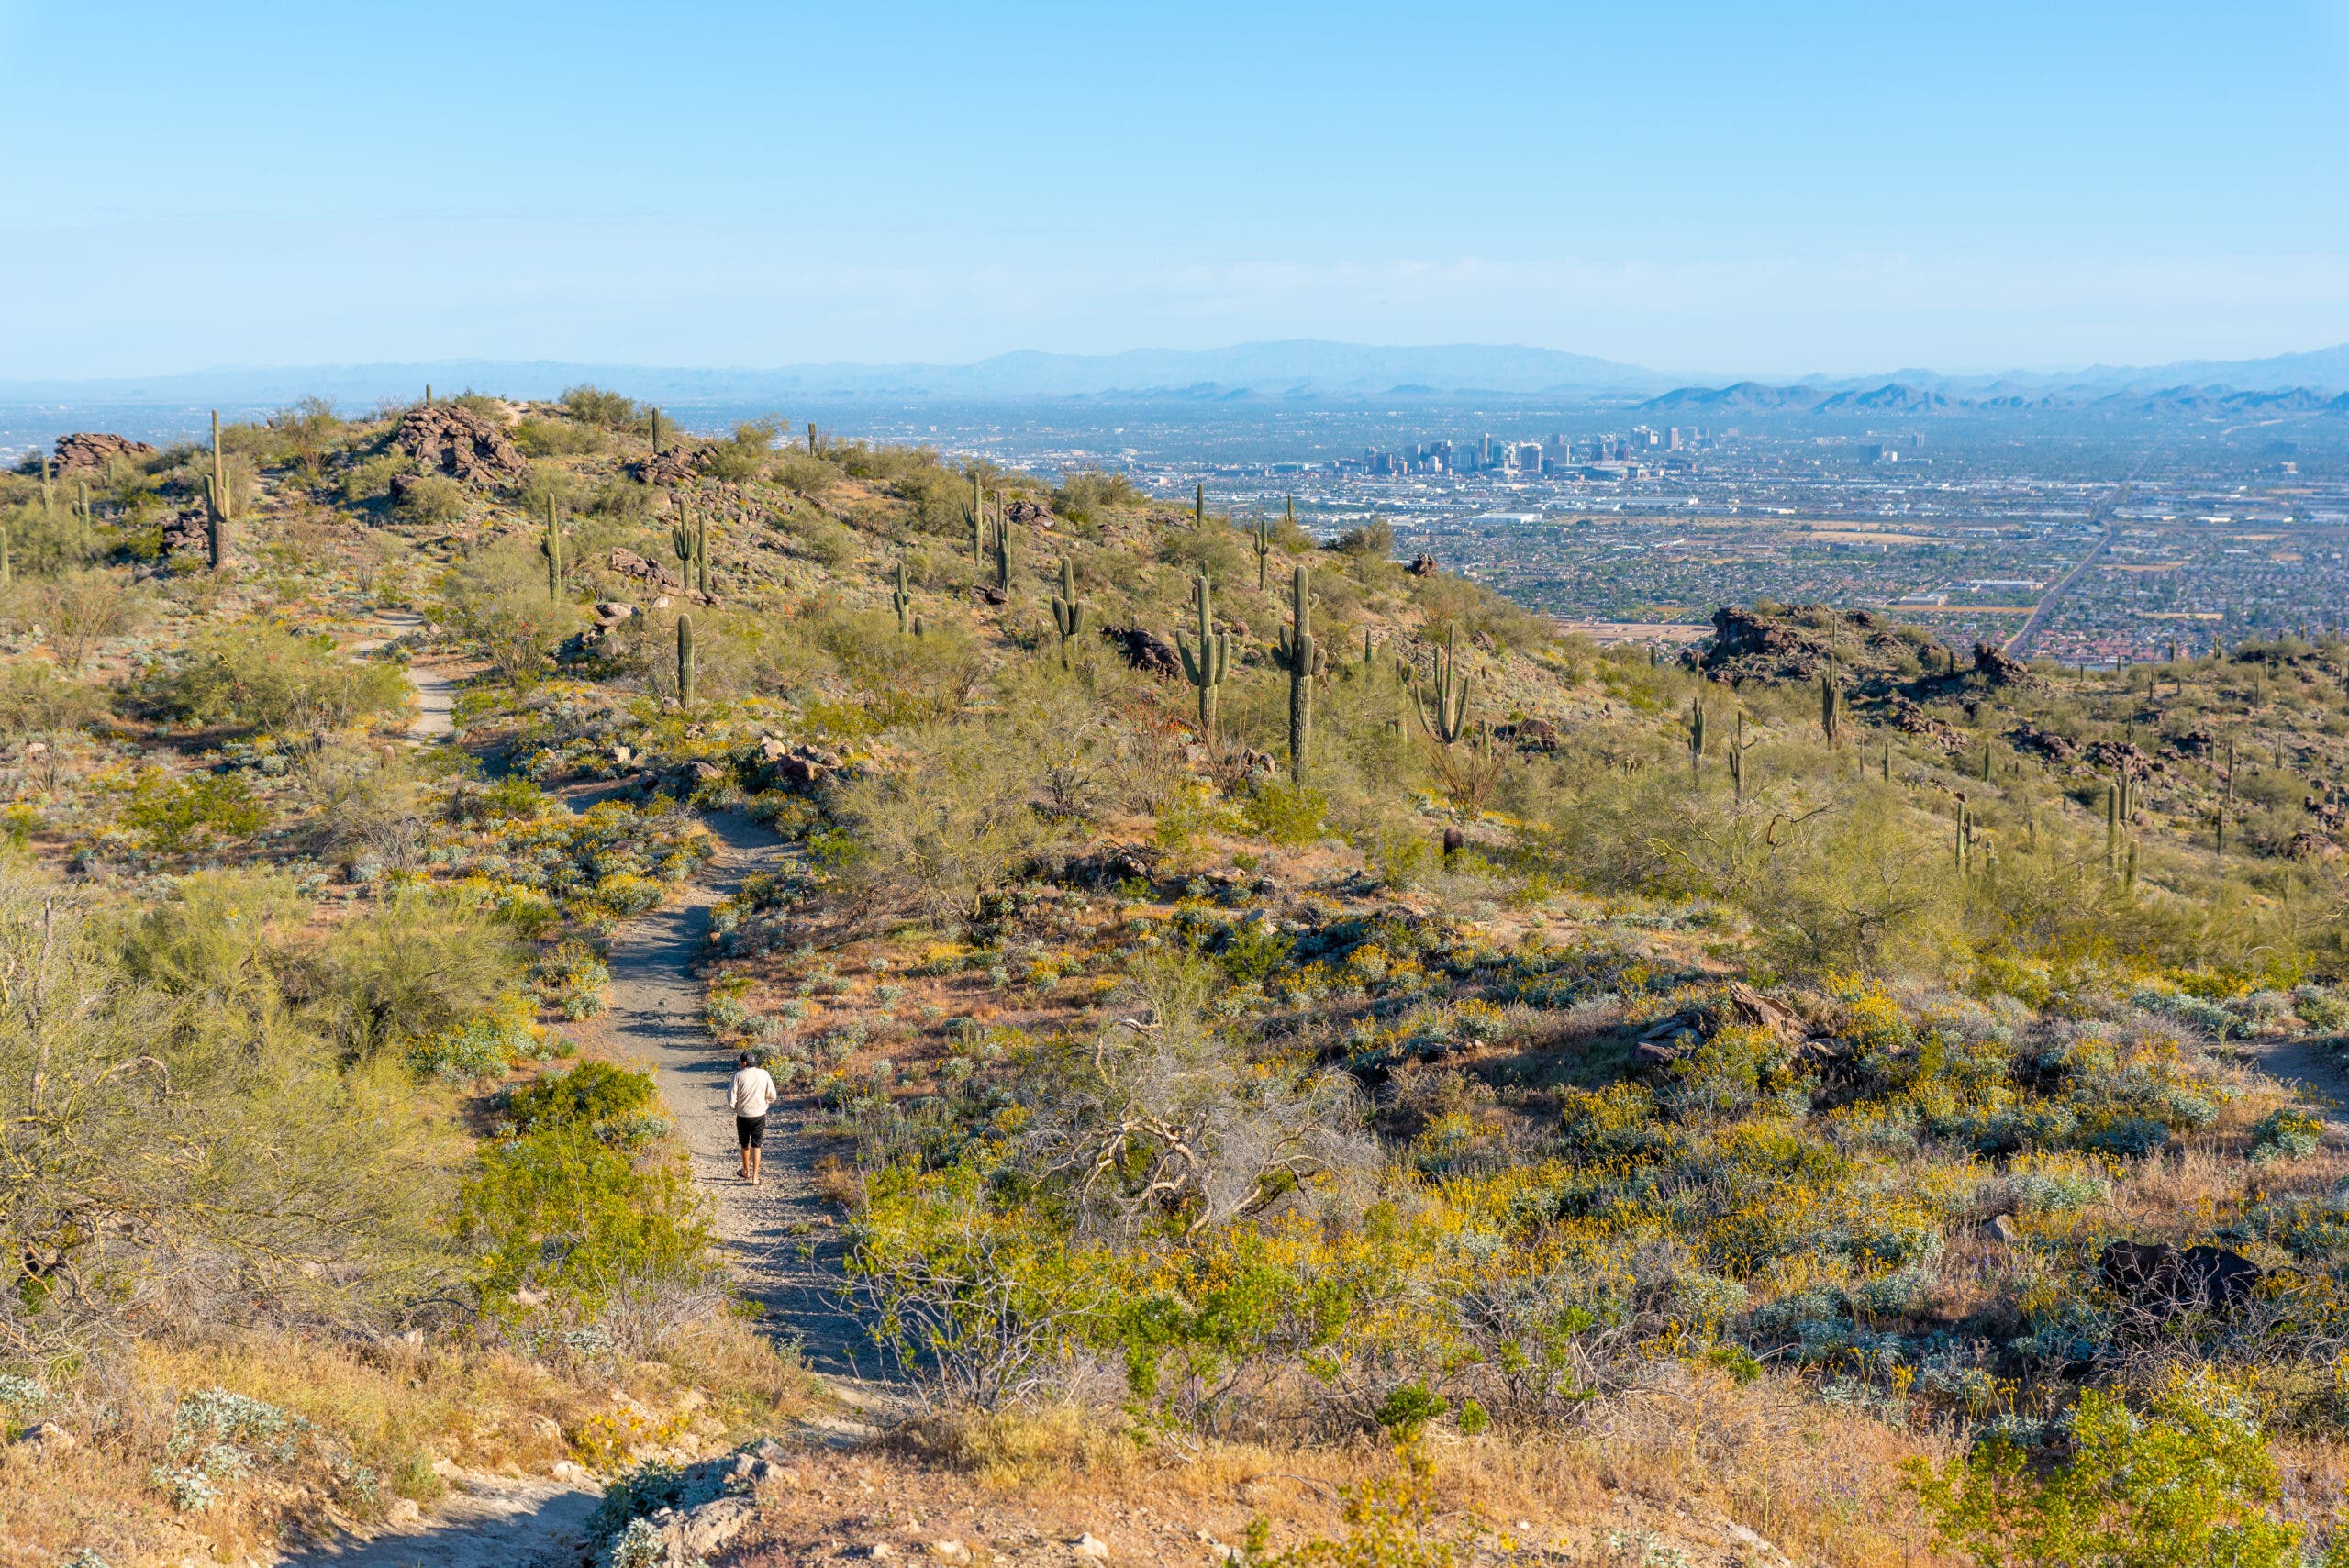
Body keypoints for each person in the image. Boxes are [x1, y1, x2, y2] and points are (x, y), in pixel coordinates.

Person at [729, 1051, 778, 1185]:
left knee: (744, 1144)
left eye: (740, 1062)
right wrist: (765, 1104)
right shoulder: (764, 1074)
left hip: (743, 1115)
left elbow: (731, 1098)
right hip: (759, 1115)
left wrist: (736, 1108)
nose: (739, 1064)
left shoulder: (738, 1075)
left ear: (744, 1063)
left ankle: (746, 1171)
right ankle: (755, 1178)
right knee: (757, 1145)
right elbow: (772, 1095)